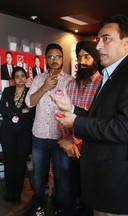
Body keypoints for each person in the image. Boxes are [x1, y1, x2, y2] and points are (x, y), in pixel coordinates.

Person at [51, 15, 128, 216]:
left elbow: (123, 128)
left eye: (106, 39)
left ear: (126, 43)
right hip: (101, 178)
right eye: (98, 40)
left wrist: (76, 122)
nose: (99, 46)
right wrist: (73, 109)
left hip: (115, 183)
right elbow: (102, 118)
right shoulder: (112, 75)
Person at [24, 43, 73, 216]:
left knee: (61, 175)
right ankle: (39, 204)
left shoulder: (69, 81)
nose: (54, 60)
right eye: (51, 57)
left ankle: (59, 204)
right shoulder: (38, 79)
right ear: (46, 59)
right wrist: (44, 87)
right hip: (39, 135)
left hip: (60, 136)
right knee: (38, 175)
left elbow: (73, 109)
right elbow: (29, 103)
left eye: (58, 56)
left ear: (62, 59)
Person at [57, 41, 103, 216]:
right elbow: (61, 115)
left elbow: (98, 121)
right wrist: (66, 140)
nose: (82, 61)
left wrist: (74, 140)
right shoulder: (70, 85)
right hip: (67, 148)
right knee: (67, 190)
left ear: (95, 58)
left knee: (89, 194)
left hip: (90, 149)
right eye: (79, 57)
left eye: (87, 56)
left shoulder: (102, 85)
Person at [0, 66, 34, 204]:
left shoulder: (31, 93)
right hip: (8, 133)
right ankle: (9, 192)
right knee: (9, 163)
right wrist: (20, 111)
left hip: (24, 133)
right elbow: (2, 109)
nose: (20, 78)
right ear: (13, 80)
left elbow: (32, 112)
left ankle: (17, 193)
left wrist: (11, 110)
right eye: (17, 76)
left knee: (20, 164)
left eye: (22, 76)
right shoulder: (7, 91)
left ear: (26, 78)